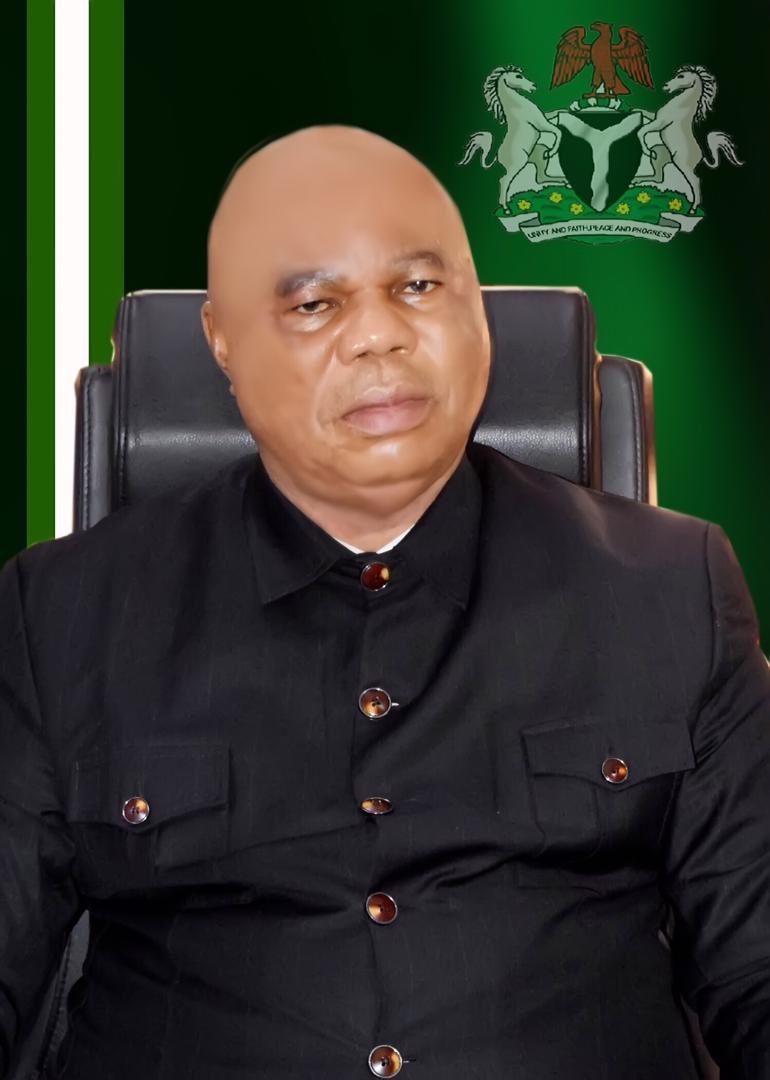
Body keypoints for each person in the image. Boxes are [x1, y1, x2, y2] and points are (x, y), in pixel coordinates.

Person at [1, 125, 768, 1080]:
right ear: (223, 343)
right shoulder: (61, 613)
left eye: (418, 287)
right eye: (316, 304)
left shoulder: (670, 588)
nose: (379, 335)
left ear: (478, 307)